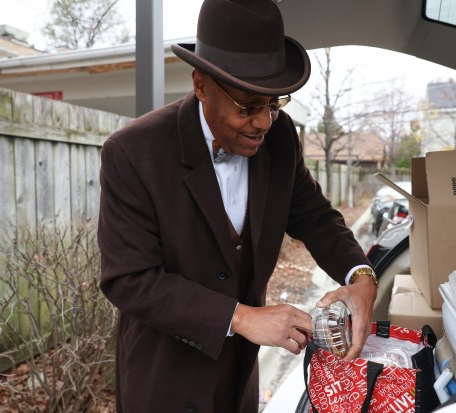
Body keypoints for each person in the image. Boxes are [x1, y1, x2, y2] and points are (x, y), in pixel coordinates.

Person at [97, 0, 377, 411]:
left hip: (240, 381)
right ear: (201, 85)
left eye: (273, 102)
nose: (264, 121)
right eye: (247, 105)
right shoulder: (132, 152)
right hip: (163, 383)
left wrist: (362, 274)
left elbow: (315, 217)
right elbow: (129, 279)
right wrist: (243, 318)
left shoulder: (280, 140)